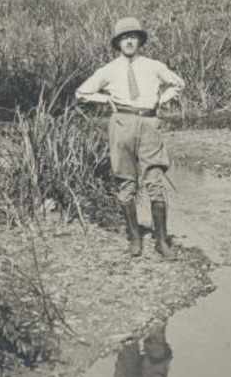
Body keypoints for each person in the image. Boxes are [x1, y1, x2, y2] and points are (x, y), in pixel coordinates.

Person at [75, 16, 184, 257]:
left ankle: (161, 241)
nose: (129, 41)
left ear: (140, 40)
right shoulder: (108, 70)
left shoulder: (154, 66)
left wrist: (160, 100)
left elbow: (178, 84)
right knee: (126, 181)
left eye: (133, 36)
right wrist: (106, 99)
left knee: (154, 179)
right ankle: (135, 239)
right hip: (121, 124)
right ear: (117, 43)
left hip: (148, 123)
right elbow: (82, 92)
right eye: (124, 38)